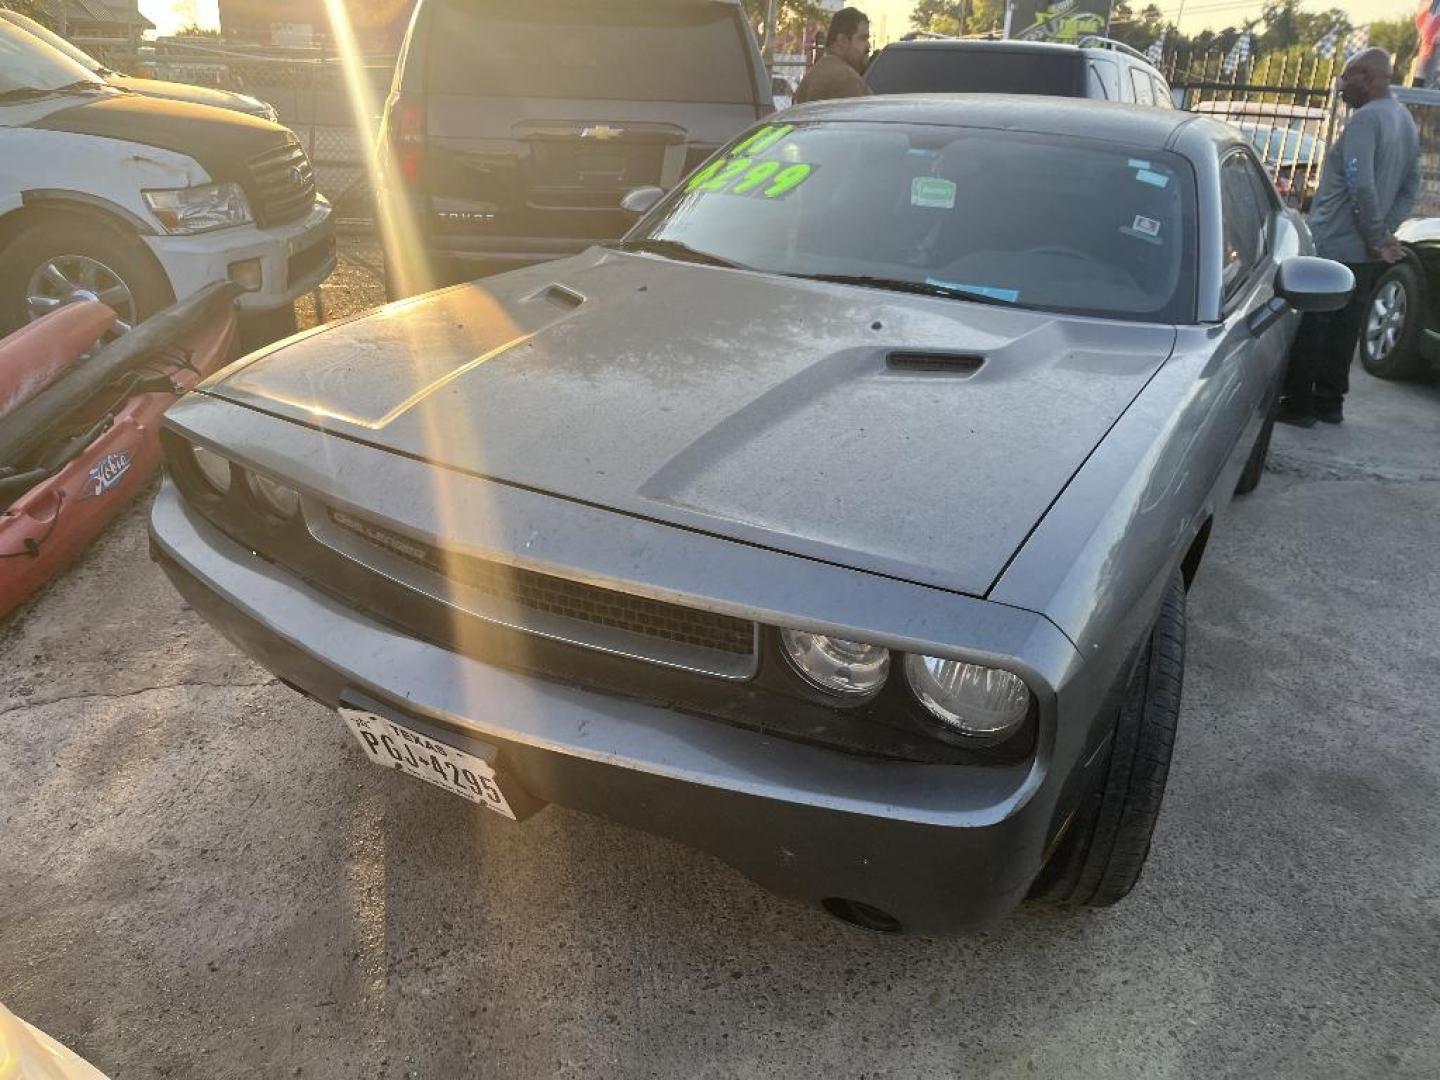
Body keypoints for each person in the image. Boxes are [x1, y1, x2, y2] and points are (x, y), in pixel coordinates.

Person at [1278, 48, 1420, 427]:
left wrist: (1377, 234)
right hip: (1367, 252)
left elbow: (1361, 185)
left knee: (1315, 323)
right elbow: (1411, 185)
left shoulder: (1366, 121)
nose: (1341, 87)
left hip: (1336, 245)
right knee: (1346, 327)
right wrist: (1385, 232)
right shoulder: (1404, 120)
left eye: (1346, 78)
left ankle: (1298, 404)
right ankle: (1329, 402)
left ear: (1366, 77)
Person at [793, 8, 871, 105]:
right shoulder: (847, 79)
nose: (868, 45)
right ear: (842, 40)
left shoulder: (813, 74)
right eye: (863, 38)